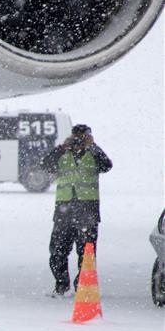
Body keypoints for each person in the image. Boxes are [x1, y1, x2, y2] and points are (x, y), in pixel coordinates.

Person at [42, 124, 112, 297]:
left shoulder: (93, 153)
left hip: (87, 210)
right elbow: (45, 164)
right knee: (57, 251)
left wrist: (92, 146)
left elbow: (107, 165)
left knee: (87, 253)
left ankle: (82, 286)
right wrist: (62, 147)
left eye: (83, 136)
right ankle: (61, 284)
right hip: (64, 210)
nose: (79, 140)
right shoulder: (63, 154)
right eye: (76, 136)